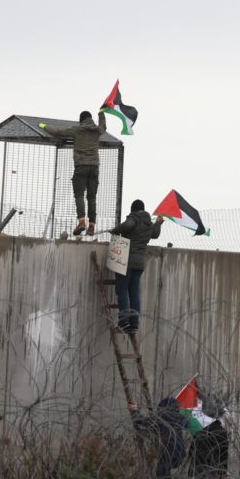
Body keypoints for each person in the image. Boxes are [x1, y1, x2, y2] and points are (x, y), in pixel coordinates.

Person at [38, 110, 107, 236]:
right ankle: (91, 225)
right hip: (94, 167)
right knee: (92, 197)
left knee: (79, 194)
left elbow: (58, 133)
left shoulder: (77, 130)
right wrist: (101, 114)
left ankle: (81, 222)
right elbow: (103, 126)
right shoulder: (97, 130)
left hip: (81, 166)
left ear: (81, 120)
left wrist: (44, 126)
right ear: (91, 119)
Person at [109, 200, 163, 334]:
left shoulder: (135, 219)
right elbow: (155, 234)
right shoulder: (149, 224)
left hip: (125, 261)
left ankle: (124, 322)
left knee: (122, 291)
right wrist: (158, 223)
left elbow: (128, 225)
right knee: (134, 293)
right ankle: (134, 323)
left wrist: (115, 230)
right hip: (139, 264)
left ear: (133, 210)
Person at [129, 398, 187, 479]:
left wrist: (135, 411)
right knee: (165, 473)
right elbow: (154, 427)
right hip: (179, 452)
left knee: (161, 474)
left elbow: (144, 422)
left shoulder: (163, 419)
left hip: (168, 451)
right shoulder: (180, 418)